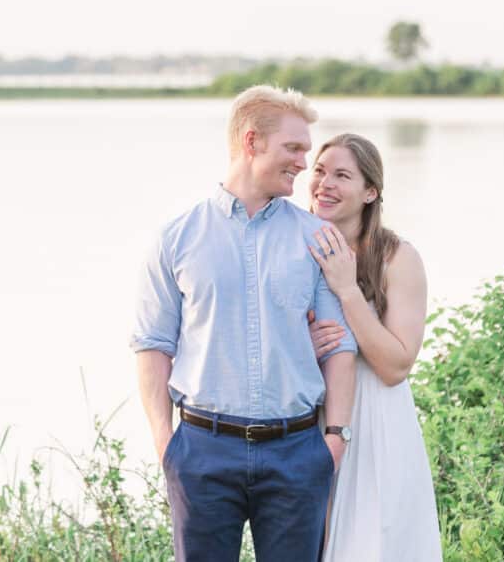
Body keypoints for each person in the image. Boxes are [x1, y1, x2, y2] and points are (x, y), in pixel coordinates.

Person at [130, 85, 357, 562]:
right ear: (252, 142)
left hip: (297, 452)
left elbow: (339, 348)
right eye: (293, 148)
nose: (302, 163)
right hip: (201, 452)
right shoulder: (177, 237)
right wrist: (165, 443)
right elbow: (152, 345)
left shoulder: (318, 238)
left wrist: (333, 440)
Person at [305, 133, 442, 561]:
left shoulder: (397, 258)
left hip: (377, 422)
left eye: (342, 175)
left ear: (370, 192)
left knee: (374, 543)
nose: (325, 184)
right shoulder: (295, 243)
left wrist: (347, 292)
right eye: (320, 171)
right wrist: (302, 347)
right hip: (310, 421)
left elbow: (396, 366)